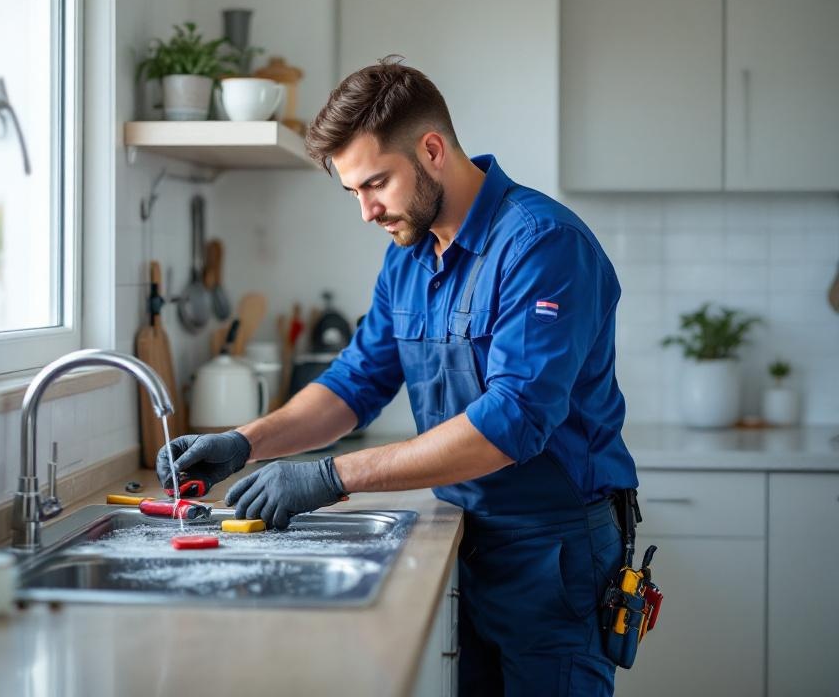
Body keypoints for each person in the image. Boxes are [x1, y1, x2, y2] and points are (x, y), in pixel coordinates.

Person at [157, 57, 639, 695]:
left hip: (554, 550)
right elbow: (354, 384)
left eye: (376, 183)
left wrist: (333, 475)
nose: (366, 211)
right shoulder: (409, 257)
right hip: (467, 535)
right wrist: (247, 442)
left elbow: (510, 425)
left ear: (432, 149)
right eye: (353, 191)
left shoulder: (542, 246)